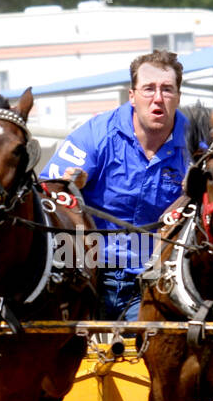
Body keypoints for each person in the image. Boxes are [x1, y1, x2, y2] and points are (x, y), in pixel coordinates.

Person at [40, 50, 191, 320]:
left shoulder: (197, 147)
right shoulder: (96, 133)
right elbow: (46, 191)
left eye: (167, 89)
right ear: (132, 96)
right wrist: (70, 186)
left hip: (160, 276)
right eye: (148, 89)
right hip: (89, 273)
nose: (158, 98)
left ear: (178, 96)